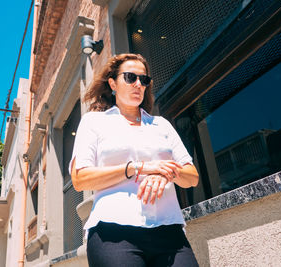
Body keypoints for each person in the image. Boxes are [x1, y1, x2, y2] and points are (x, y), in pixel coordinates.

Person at [70, 53, 200, 267]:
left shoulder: (161, 125)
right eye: (130, 77)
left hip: (169, 230)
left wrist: (163, 172)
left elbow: (192, 177)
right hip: (113, 232)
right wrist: (137, 168)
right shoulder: (94, 122)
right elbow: (80, 179)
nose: (138, 84)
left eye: (144, 80)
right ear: (112, 83)